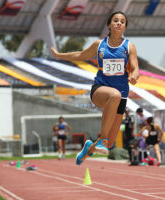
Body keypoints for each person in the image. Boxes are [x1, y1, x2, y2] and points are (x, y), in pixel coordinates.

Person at [51, 11, 140, 165]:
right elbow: (80, 55)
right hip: (100, 89)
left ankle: (88, 149)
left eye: (122, 21)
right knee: (114, 95)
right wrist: (60, 56)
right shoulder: (99, 45)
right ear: (109, 25)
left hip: (121, 97)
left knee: (110, 143)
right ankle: (102, 139)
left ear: (125, 27)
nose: (119, 23)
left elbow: (135, 67)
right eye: (115, 20)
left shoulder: (129, 46)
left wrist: (135, 76)